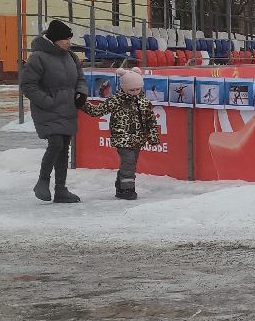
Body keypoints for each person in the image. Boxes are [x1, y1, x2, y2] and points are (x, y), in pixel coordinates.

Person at [19, 19, 87, 204]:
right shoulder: (38, 57)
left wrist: (81, 93)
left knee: (64, 147)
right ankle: (43, 181)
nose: (68, 42)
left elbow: (80, 78)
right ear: (54, 39)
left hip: (67, 108)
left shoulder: (71, 56)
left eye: (69, 38)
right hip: (47, 109)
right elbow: (28, 85)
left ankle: (61, 189)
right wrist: (48, 102)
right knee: (56, 143)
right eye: (65, 39)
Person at [82, 68, 162, 200]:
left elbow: (150, 121)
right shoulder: (116, 100)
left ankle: (120, 186)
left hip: (138, 138)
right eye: (131, 90)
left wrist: (153, 137)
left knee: (130, 163)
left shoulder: (143, 102)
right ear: (124, 87)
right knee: (128, 162)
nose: (135, 92)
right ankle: (127, 190)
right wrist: (82, 104)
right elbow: (97, 111)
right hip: (122, 137)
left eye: (138, 89)